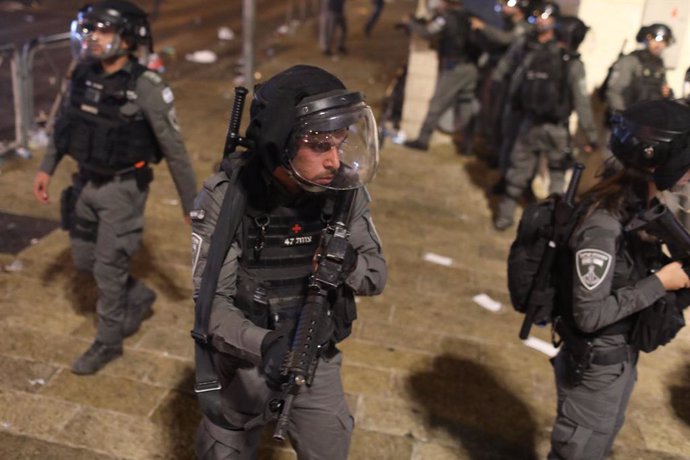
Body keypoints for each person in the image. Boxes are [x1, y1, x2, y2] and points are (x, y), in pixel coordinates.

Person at [191, 65, 387, 459]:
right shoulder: (229, 198)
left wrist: (347, 265)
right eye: (320, 147)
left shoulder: (345, 193)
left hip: (317, 356)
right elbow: (210, 307)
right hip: (245, 360)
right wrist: (264, 345)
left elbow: (376, 277)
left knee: (330, 444)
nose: (335, 160)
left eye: (340, 142)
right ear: (281, 143)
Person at [32, 0, 197, 375]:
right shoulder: (82, 72)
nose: (93, 38)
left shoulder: (147, 86)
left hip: (122, 191)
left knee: (107, 269)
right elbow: (65, 124)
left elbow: (175, 150)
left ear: (127, 39)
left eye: (103, 31)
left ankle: (108, 343)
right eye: (90, 29)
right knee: (85, 259)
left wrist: (192, 203)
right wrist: (47, 167)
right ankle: (139, 295)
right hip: (83, 182)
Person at [548, 99, 690, 459]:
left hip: (617, 359)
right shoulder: (604, 224)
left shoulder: (641, 208)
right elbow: (589, 314)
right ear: (659, 161)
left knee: (600, 443)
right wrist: (661, 282)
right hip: (595, 364)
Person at [493, 13, 599, 231]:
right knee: (558, 176)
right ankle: (551, 226)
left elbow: (517, 84)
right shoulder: (574, 64)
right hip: (557, 129)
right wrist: (592, 136)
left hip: (529, 124)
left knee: (517, 173)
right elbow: (581, 102)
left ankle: (504, 218)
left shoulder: (538, 54)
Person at [402, 0, 482, 153]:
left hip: (455, 68)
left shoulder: (446, 17)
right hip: (471, 68)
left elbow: (426, 32)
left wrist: (410, 22)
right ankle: (468, 146)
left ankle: (422, 140)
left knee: (437, 103)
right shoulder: (471, 16)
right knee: (465, 105)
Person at [605, 23, 674, 118]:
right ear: (648, 39)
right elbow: (615, 92)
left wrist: (668, 94)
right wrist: (622, 117)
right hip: (627, 119)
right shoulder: (631, 60)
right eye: (656, 39)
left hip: (647, 122)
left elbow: (661, 91)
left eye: (663, 41)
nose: (659, 45)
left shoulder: (659, 65)